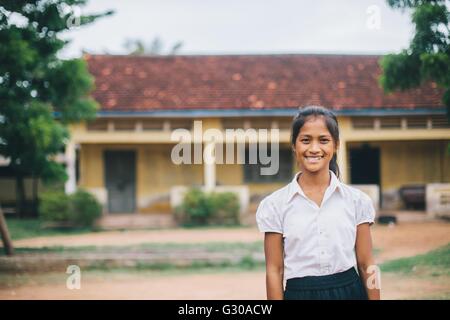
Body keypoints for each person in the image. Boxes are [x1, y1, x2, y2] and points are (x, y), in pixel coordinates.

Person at [256, 106, 380, 300]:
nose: (314, 149)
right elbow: (274, 270)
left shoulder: (357, 201)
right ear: (294, 145)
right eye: (305, 140)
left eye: (323, 140)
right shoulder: (274, 205)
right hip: (299, 294)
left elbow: (367, 264)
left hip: (350, 292)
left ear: (336, 145)